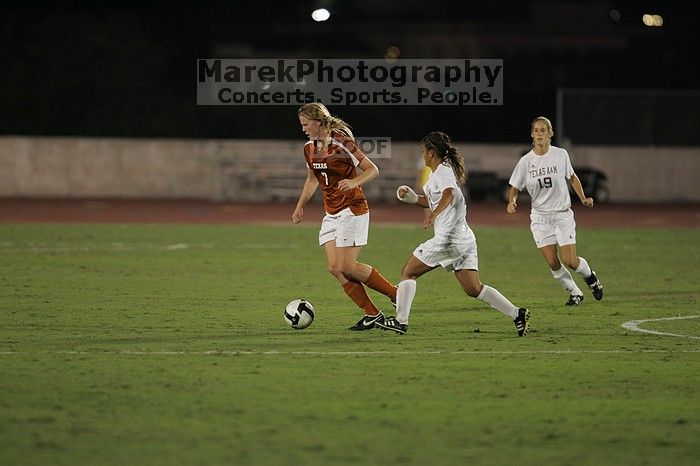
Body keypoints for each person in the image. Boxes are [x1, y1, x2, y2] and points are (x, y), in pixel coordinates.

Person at [378, 131, 530, 336]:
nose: (422, 155)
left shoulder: (442, 172)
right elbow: (435, 199)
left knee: (408, 272)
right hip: (464, 239)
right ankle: (517, 314)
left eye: (424, 151)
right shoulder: (439, 173)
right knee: (474, 289)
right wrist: (413, 199)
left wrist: (434, 214)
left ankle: (400, 321)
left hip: (448, 239)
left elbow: (448, 193)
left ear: (431, 153)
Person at [293, 103, 397, 330]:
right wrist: (300, 205)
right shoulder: (309, 148)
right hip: (331, 213)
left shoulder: (341, 142)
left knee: (347, 266)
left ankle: (397, 294)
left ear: (318, 122)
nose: (303, 129)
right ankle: (372, 314)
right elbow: (312, 179)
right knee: (335, 268)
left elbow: (372, 169)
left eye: (305, 124)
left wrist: (354, 182)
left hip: (352, 208)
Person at [506, 116, 603, 306]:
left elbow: (572, 177)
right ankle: (575, 292)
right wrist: (512, 202)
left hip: (561, 214)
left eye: (543, 130)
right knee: (552, 262)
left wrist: (583, 198)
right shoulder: (526, 161)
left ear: (550, 134)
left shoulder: (560, 155)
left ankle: (591, 278)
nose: (539, 134)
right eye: (536, 130)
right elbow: (514, 187)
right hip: (540, 218)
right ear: (532, 135)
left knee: (570, 260)